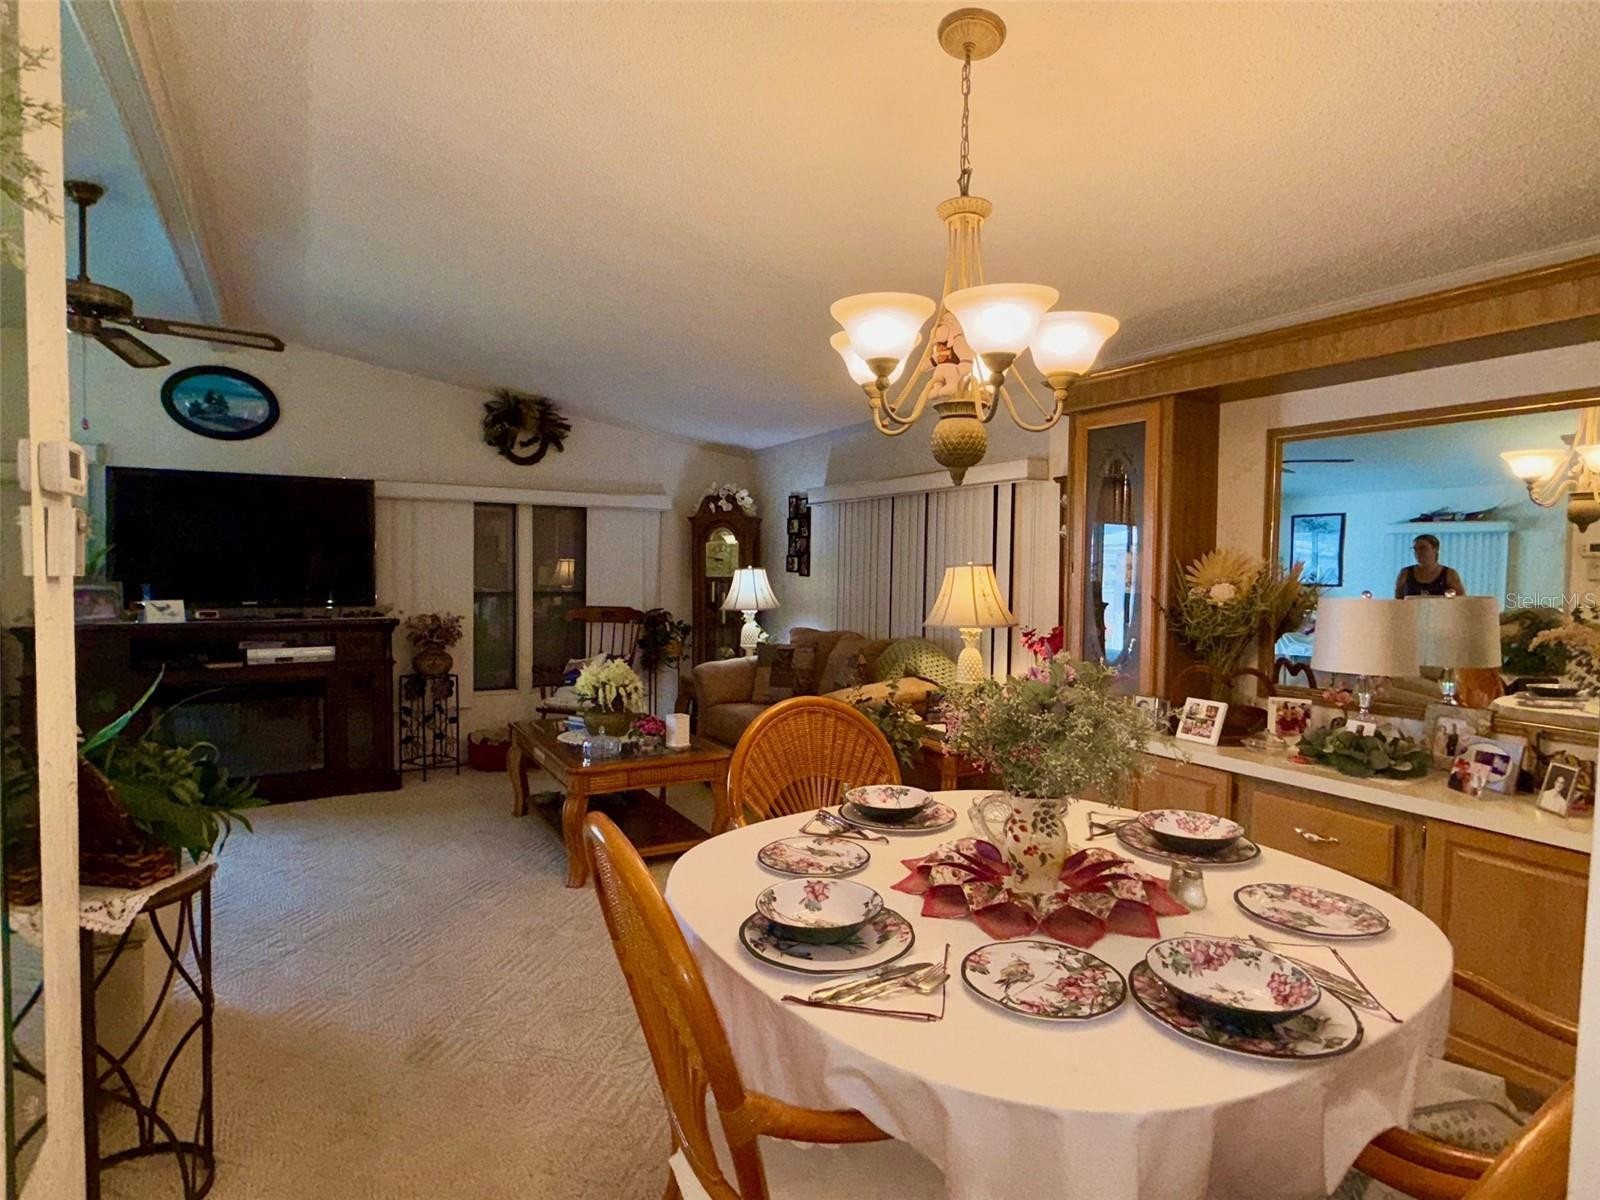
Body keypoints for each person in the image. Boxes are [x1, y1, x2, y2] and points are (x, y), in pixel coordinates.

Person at [1395, 533, 1466, 597]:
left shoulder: (1449, 574)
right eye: (1415, 549)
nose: (1418, 552)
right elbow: (1398, 601)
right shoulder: (1405, 573)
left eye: (1423, 548)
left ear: (1435, 549)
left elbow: (1461, 600)